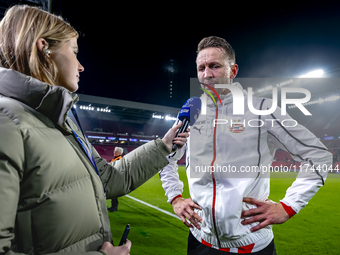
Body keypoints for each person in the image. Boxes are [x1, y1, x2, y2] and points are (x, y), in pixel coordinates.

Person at [0, 5, 188, 255]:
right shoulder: (6, 122)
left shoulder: (62, 122)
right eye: (74, 52)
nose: (81, 66)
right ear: (43, 47)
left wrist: (163, 145)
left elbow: (109, 179)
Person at [160, 36, 332, 254]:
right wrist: (175, 197)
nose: (207, 75)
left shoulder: (262, 109)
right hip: (199, 240)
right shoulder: (191, 112)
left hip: (250, 245)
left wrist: (289, 207)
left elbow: (318, 155)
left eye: (215, 66)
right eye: (201, 68)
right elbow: (165, 156)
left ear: (233, 71)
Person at [108, 147, 124, 212]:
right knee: (113, 193)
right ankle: (113, 206)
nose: (114, 152)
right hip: (113, 177)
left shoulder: (119, 159)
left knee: (114, 194)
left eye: (116, 152)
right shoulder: (115, 159)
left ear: (120, 153)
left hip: (116, 178)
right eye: (114, 151)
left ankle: (115, 207)